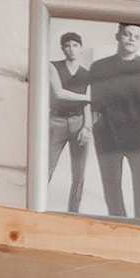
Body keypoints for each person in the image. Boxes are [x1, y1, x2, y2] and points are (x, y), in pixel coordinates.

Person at [88, 22, 140, 223]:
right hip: (108, 134)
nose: (131, 40)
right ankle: (118, 225)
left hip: (138, 134)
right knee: (111, 184)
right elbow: (95, 102)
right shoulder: (100, 67)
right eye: (127, 35)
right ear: (118, 36)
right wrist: (96, 127)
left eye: (136, 37)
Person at [46, 31, 94, 213]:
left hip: (78, 122)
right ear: (62, 48)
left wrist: (87, 127)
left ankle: (73, 212)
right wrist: (86, 96)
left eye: (75, 45)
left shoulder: (87, 74)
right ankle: (37, 206)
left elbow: (87, 105)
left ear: (80, 48)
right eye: (67, 45)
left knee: (79, 173)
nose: (71, 49)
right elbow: (58, 93)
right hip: (56, 121)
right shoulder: (53, 66)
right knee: (46, 167)